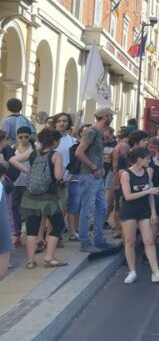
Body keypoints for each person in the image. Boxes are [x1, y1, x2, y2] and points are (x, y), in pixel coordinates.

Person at [13, 128, 68, 268]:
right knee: (58, 224)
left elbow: (13, 159)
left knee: (32, 228)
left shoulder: (32, 153)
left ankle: (30, 261)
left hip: (30, 197)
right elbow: (58, 176)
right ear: (55, 141)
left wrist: (27, 171)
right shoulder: (56, 155)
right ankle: (49, 258)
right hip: (48, 197)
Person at [119, 147, 159, 284]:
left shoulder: (146, 173)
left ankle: (156, 271)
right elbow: (128, 196)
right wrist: (148, 192)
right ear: (139, 159)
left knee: (149, 240)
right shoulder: (126, 174)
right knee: (130, 241)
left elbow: (151, 195)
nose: (149, 160)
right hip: (129, 210)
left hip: (144, 210)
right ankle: (132, 271)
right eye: (147, 158)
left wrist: (153, 211)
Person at [74, 108, 116, 252]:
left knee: (102, 207)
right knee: (87, 209)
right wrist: (93, 167)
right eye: (111, 115)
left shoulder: (97, 132)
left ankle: (98, 239)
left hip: (96, 175)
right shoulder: (92, 131)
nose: (112, 118)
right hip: (89, 175)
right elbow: (79, 152)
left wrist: (100, 168)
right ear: (105, 116)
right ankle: (85, 242)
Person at [53, 113, 80, 241]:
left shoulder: (73, 141)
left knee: (73, 206)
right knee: (57, 207)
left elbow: (75, 160)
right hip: (55, 178)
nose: (62, 123)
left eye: (64, 121)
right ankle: (54, 233)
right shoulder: (50, 140)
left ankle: (73, 231)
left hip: (72, 177)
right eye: (59, 121)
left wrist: (69, 176)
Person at [10, 126, 36, 251]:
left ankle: (30, 235)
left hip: (29, 183)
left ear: (30, 136)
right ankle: (17, 233)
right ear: (17, 137)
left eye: (26, 136)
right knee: (14, 208)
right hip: (15, 183)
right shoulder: (13, 148)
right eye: (21, 137)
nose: (24, 139)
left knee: (28, 209)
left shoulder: (34, 148)